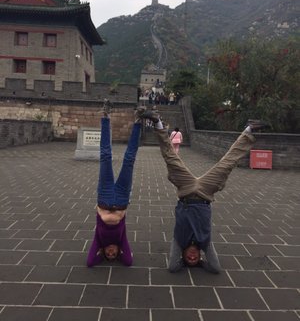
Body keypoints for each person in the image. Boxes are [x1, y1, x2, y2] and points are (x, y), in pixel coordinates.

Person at [140, 108, 269, 273]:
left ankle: (157, 122)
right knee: (227, 163)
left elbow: (172, 266)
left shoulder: (179, 241)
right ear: (201, 256)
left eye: (189, 259)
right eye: (196, 259)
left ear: (183, 255)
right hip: (205, 193)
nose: (192, 257)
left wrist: (183, 263)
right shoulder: (204, 242)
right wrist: (201, 264)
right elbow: (215, 268)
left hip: (186, 190)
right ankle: (249, 129)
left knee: (170, 158)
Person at [86, 100, 145, 267]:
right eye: (114, 254)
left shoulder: (99, 240)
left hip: (104, 197)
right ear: (119, 250)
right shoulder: (122, 239)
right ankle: (138, 120)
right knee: (129, 160)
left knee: (105, 156)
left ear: (103, 250)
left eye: (108, 254)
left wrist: (99, 254)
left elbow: (90, 262)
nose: (111, 252)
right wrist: (120, 252)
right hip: (121, 199)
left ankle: (105, 116)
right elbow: (128, 261)